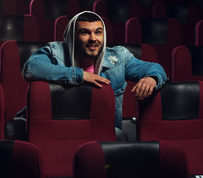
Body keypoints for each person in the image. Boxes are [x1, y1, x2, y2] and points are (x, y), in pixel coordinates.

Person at [22, 11, 167, 129]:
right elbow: (31, 67)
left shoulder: (118, 57)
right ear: (72, 37)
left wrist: (151, 78)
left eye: (98, 32)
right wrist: (79, 75)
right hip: (62, 128)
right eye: (85, 32)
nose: (93, 39)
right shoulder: (56, 52)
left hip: (103, 130)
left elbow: (154, 68)